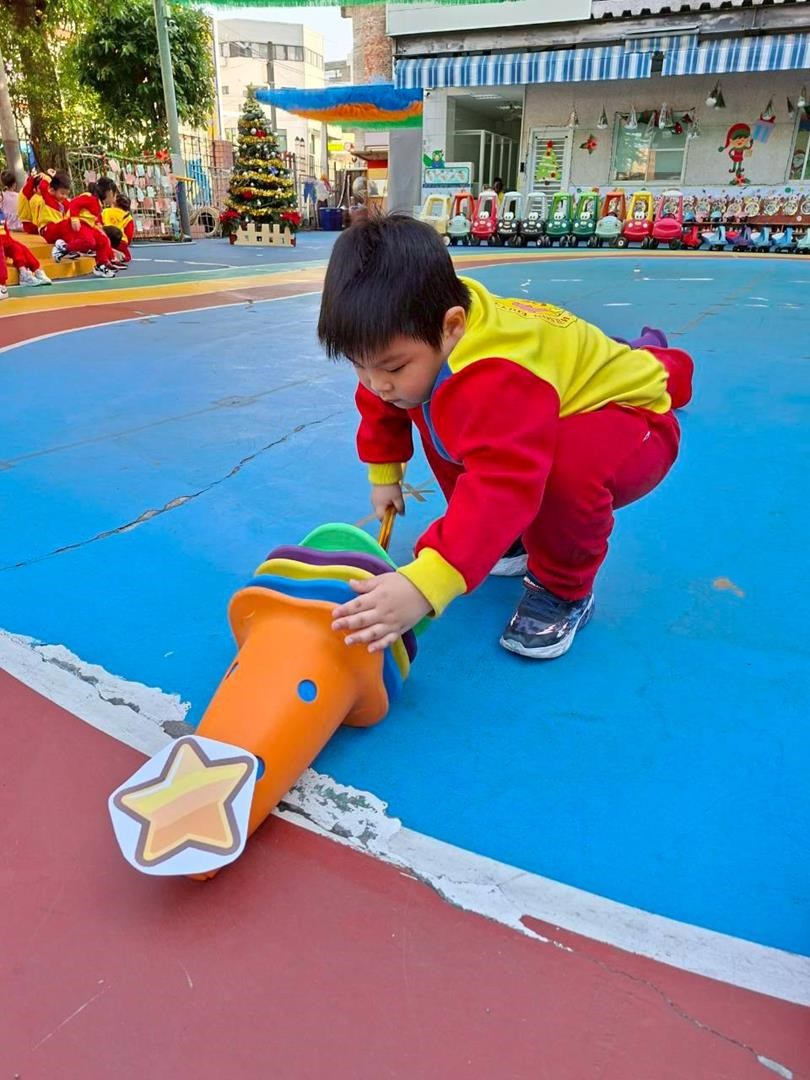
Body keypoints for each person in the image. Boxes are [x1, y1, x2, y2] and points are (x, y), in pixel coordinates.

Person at [321, 215, 693, 660]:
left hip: (633, 413)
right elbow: (379, 400)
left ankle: (564, 590)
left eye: (393, 367)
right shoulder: (401, 343)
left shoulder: (496, 377)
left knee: (563, 468)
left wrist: (428, 580)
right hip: (550, 378)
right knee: (427, 404)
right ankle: (510, 536)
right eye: (358, 364)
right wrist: (384, 474)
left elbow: (504, 481)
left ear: (453, 326)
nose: (375, 382)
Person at [35, 172, 120, 278]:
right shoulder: (90, 198)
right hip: (67, 226)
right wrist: (74, 218)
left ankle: (101, 264)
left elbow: (94, 220)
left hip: (83, 226)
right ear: (109, 193)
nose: (115, 198)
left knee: (102, 239)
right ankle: (63, 248)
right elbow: (75, 203)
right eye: (114, 195)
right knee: (88, 241)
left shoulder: (98, 204)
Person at [0, 203, 52, 296]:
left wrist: (8, 243)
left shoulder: (1, 215)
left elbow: (5, 235)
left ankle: (31, 271)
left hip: (3, 242)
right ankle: (2, 285)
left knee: (18, 247)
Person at [102, 194, 134, 262]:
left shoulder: (105, 211)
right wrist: (126, 244)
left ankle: (109, 251)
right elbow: (129, 234)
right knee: (127, 257)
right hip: (120, 242)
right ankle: (116, 255)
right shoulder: (128, 217)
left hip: (105, 238)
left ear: (114, 203)